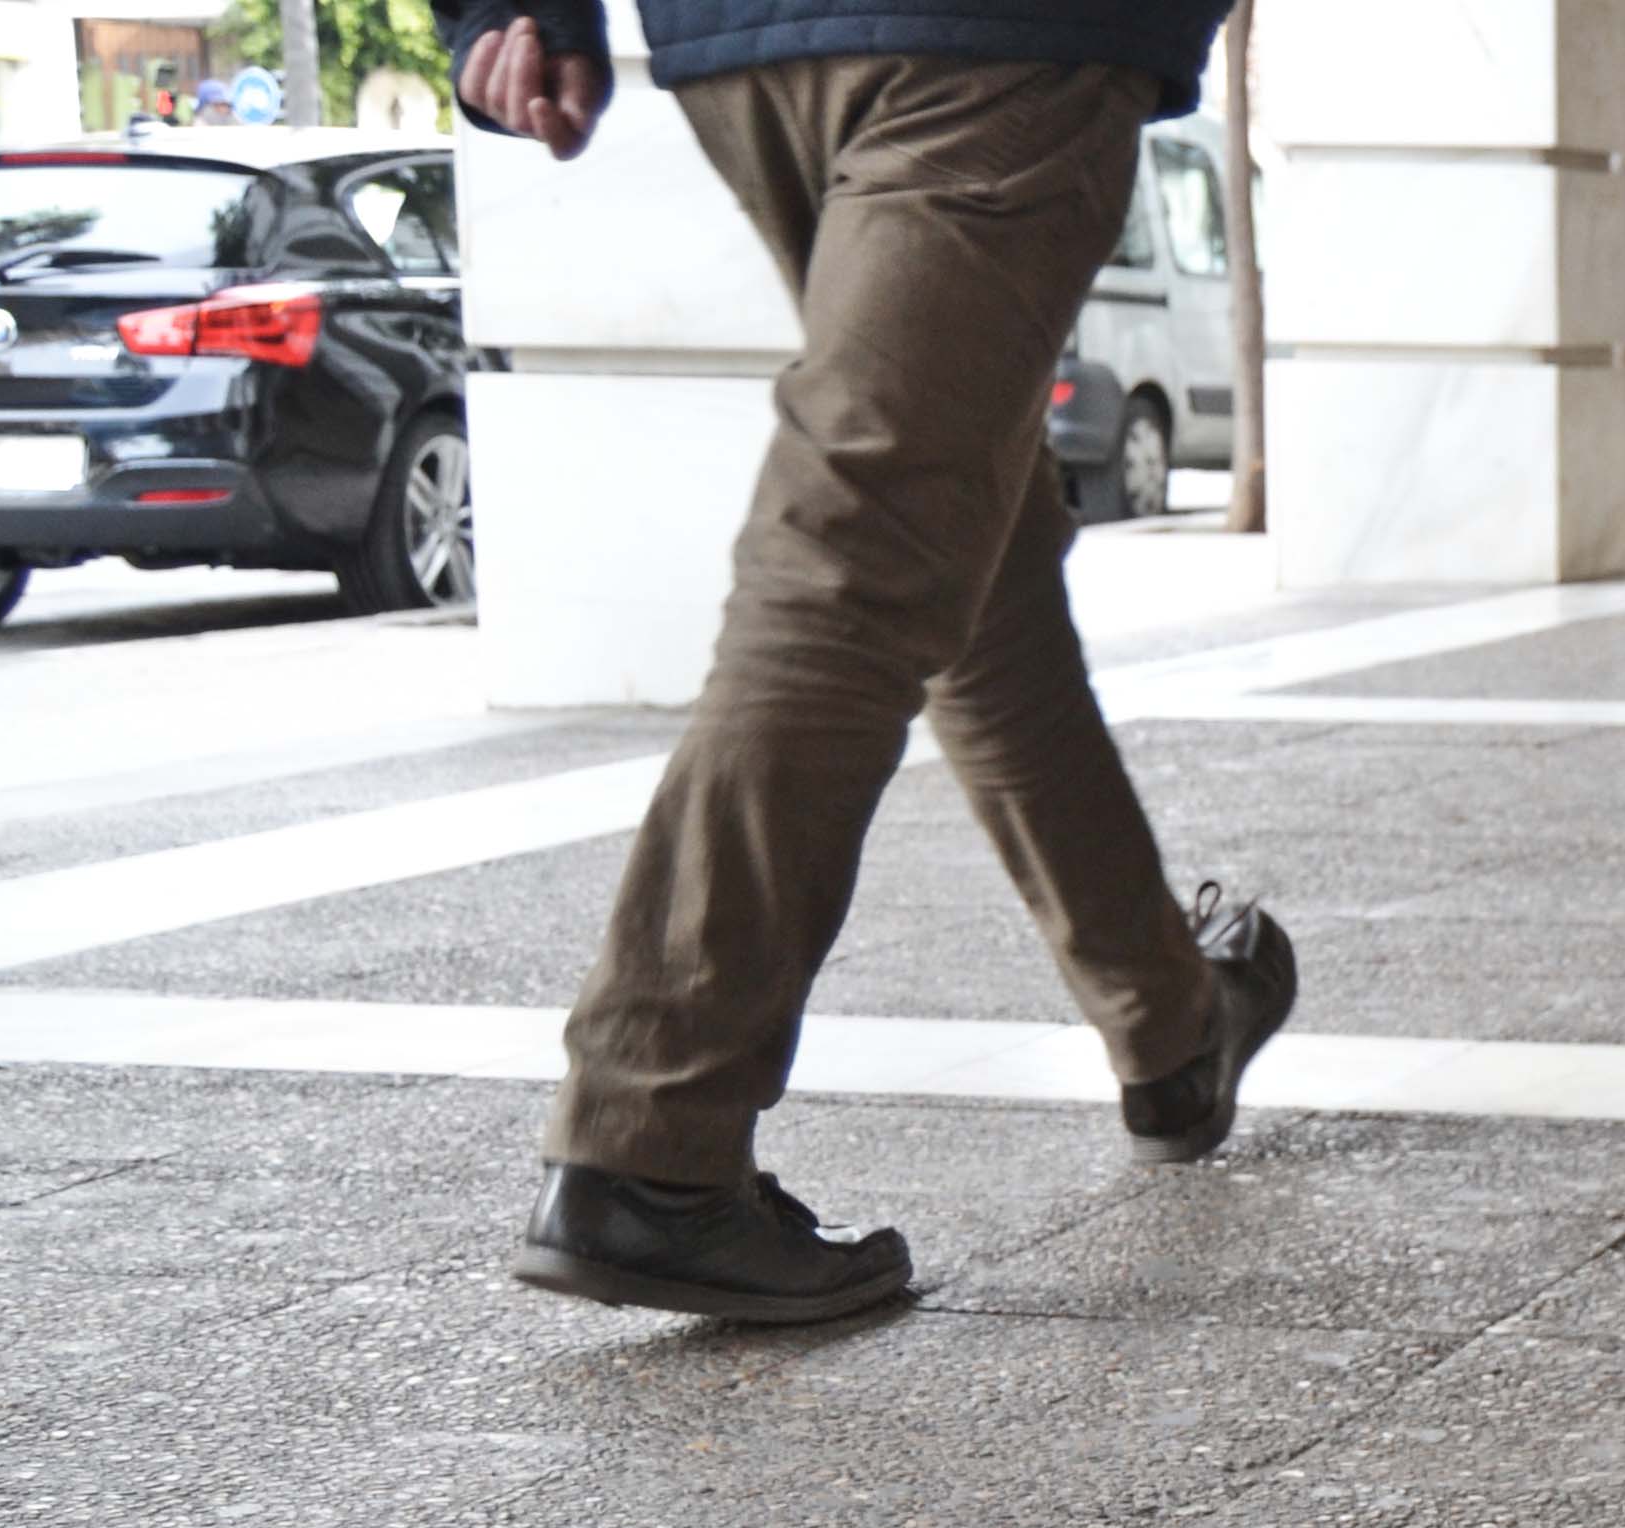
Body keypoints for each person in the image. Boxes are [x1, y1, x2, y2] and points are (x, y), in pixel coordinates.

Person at [447, 0, 1297, 1326]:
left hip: (746, 45)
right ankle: (650, 1138)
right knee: (858, 555)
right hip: (1000, 36)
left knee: (965, 545)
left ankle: (1172, 1023)